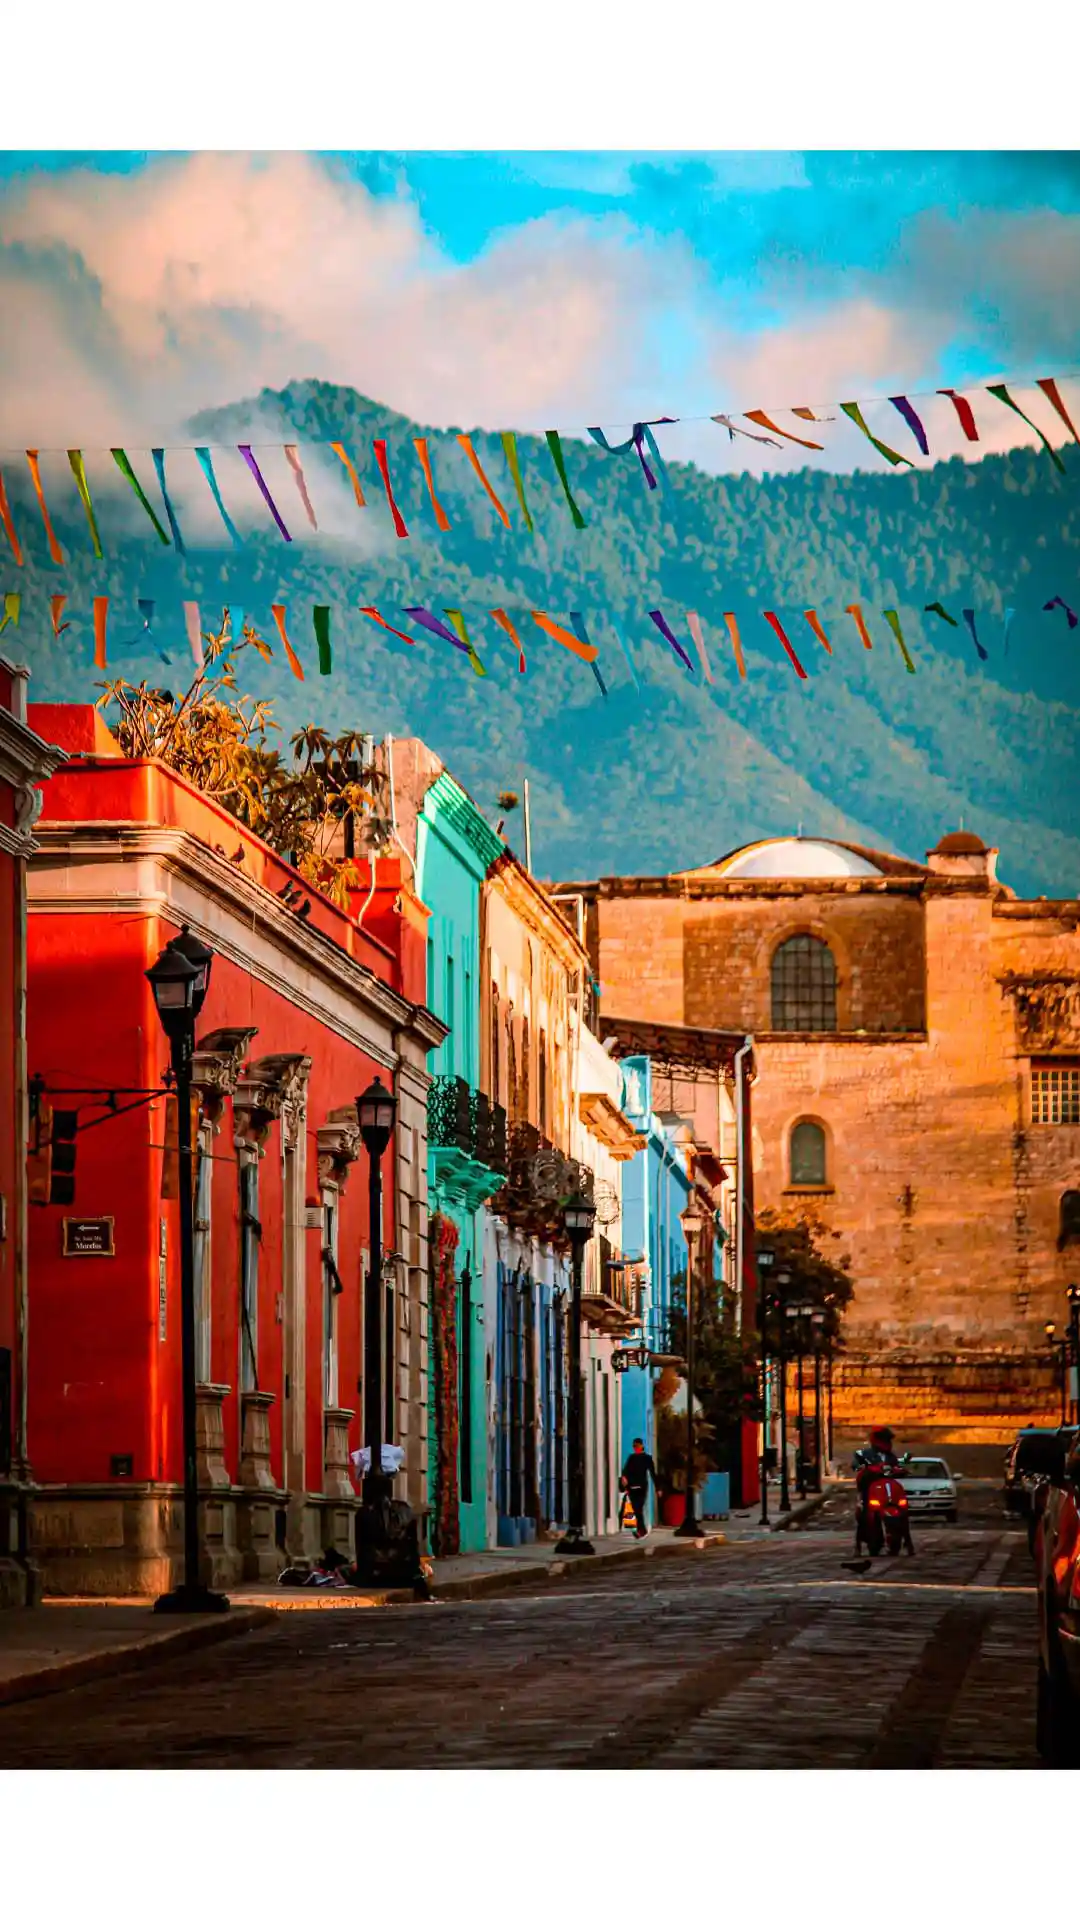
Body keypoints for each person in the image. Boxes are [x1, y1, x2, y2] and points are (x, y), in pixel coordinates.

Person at [619, 1438, 658, 1538]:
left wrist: (658, 1488)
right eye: (634, 1446)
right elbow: (625, 1470)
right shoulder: (631, 1458)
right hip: (631, 1486)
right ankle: (638, 1529)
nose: (635, 1448)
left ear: (641, 1446)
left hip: (641, 1487)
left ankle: (640, 1530)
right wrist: (624, 1477)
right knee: (633, 1508)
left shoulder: (647, 1458)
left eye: (636, 1446)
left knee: (638, 1508)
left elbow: (653, 1473)